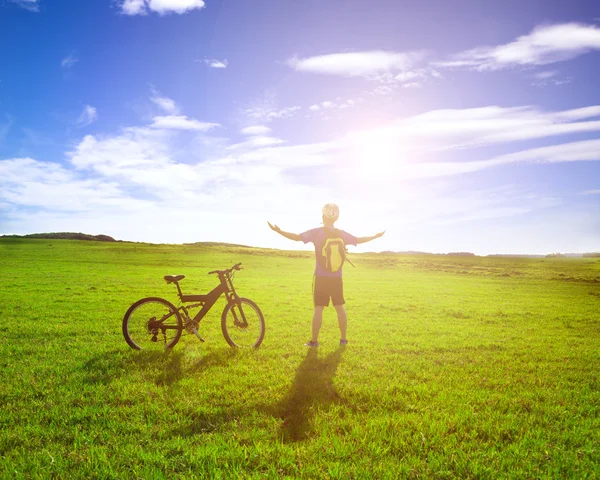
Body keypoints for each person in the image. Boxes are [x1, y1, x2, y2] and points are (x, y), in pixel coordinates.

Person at [268, 203, 385, 347]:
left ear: (323, 216)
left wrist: (279, 231)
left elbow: (297, 237)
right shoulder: (342, 234)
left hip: (321, 277)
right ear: (337, 218)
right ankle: (343, 340)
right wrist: (375, 236)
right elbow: (358, 240)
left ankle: (314, 342)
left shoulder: (317, 232)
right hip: (337, 277)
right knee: (340, 308)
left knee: (319, 309)